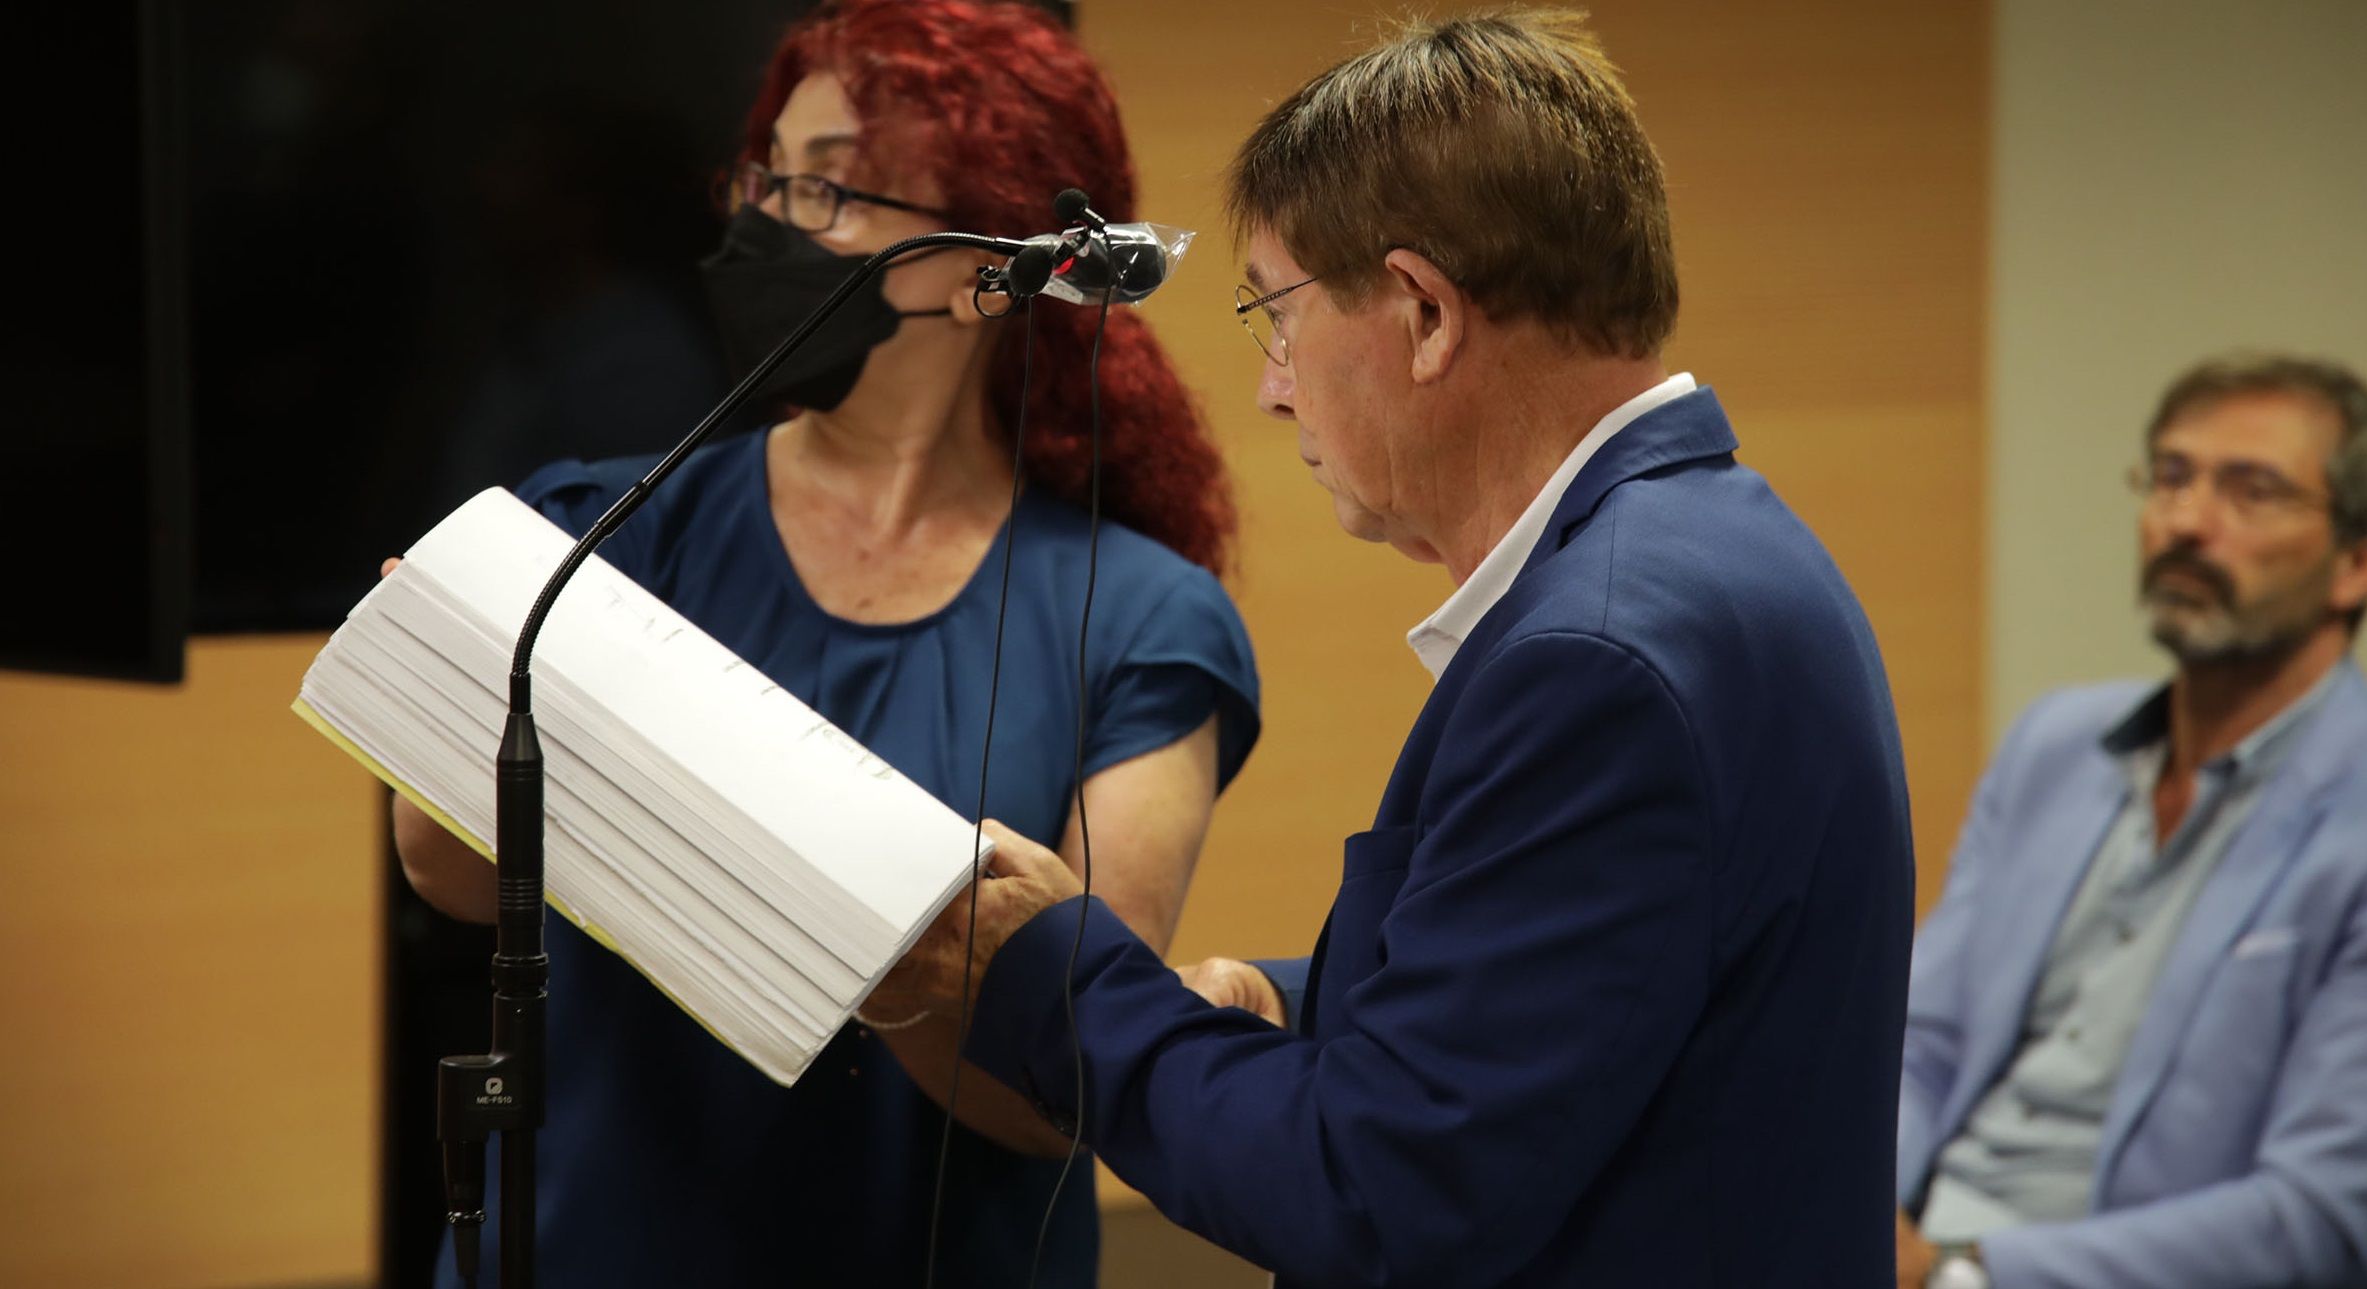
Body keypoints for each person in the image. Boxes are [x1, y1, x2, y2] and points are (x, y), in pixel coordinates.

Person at [900, 10, 1917, 1287]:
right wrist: (1293, 1003)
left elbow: (1378, 1195)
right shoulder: (1725, 550)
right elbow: (1589, 1010)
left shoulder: (1599, 659)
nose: (1272, 388)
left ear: (1425, 314)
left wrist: (1049, 970)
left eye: (1276, 314)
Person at [389, 3, 1261, 1285]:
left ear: (988, 263)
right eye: (768, 177)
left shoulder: (1140, 618)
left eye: (831, 189)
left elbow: (1070, 1081)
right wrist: (433, 672)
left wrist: (698, 849)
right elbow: (446, 859)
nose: (769, 226)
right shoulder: (603, 522)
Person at [1895, 354, 2367, 1289]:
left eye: (2253, 490)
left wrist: (1957, 1273)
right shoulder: (2055, 745)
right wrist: (1843, 1220)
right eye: (2171, 476)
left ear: (2361, 562)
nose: (2186, 521)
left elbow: (2319, 1224)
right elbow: (1925, 1042)